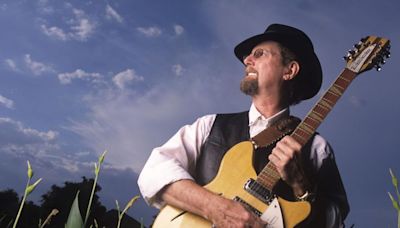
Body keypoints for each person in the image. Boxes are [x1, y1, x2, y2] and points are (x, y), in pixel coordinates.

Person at [138, 23, 349, 227]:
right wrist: (215, 208)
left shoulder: (317, 148)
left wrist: (301, 185)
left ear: (290, 70)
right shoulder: (210, 125)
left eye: (260, 54)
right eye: (249, 55)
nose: (247, 59)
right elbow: (153, 172)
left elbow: (335, 220)